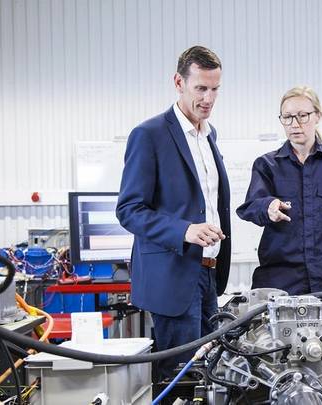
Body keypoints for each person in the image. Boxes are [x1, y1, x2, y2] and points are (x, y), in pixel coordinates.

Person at [116, 46, 230, 380]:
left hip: (209, 274)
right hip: (174, 275)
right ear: (179, 82)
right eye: (201, 88)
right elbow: (129, 210)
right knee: (180, 380)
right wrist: (185, 230)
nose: (208, 98)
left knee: (210, 375)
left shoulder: (210, 136)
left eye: (215, 89)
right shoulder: (149, 135)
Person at [236, 85, 322, 322]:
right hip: (280, 287)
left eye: (303, 116)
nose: (295, 124)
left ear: (318, 116)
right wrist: (268, 207)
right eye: (287, 117)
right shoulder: (267, 165)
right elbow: (250, 207)